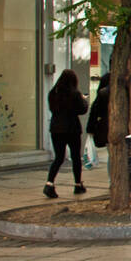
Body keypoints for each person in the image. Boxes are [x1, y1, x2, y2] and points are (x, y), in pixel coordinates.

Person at [45, 69, 88, 198]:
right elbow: (82, 109)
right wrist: (83, 99)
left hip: (56, 128)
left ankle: (49, 183)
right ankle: (77, 184)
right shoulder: (75, 94)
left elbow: (52, 109)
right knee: (75, 157)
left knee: (59, 157)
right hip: (72, 128)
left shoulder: (53, 93)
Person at [84, 72, 110, 169]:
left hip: (106, 127)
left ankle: (111, 180)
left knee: (111, 156)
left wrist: (90, 129)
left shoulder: (102, 93)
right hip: (115, 127)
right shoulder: (117, 92)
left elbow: (94, 111)